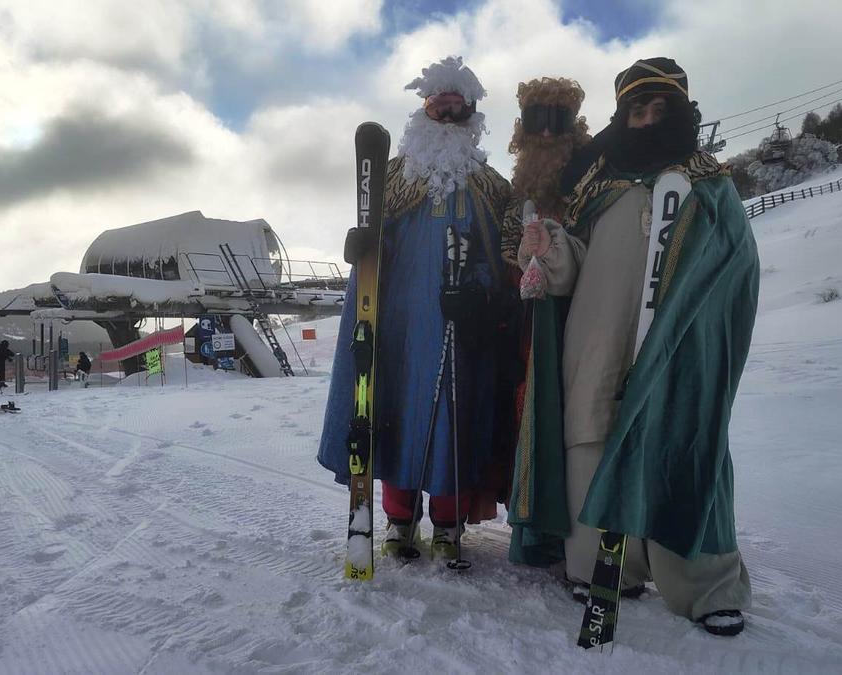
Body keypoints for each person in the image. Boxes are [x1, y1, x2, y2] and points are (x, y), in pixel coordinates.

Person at [519, 58, 759, 636]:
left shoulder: (710, 185)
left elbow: (737, 265)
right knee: (591, 444)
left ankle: (705, 587)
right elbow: (574, 265)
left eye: (659, 110)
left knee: (683, 448)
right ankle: (602, 568)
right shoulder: (598, 187)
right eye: (637, 111)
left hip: (680, 348)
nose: (648, 120)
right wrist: (550, 249)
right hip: (597, 342)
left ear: (681, 115)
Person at [318, 56, 511, 559]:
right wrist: (361, 244)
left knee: (453, 419)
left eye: (455, 107)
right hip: (399, 322)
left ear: (471, 114)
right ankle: (399, 521)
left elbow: (501, 254)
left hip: (459, 327)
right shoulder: (393, 178)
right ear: (421, 112)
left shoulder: (491, 187)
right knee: (393, 412)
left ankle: (448, 525)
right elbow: (376, 239)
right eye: (435, 106)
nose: (445, 117)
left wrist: (479, 295)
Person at [499, 77, 593, 567]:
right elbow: (503, 248)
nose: (549, 132)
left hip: (581, 314)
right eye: (538, 120)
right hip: (528, 320)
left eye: (560, 120)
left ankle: (575, 532)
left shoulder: (591, 177)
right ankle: (535, 526)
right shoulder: (516, 188)